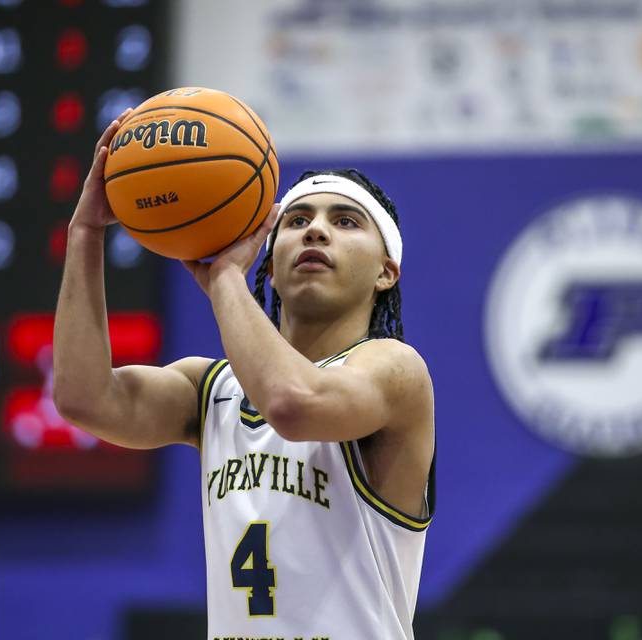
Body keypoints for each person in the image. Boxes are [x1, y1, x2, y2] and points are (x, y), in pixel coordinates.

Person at [53, 108, 436, 640]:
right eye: (296, 221)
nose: (316, 231)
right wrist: (86, 234)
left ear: (385, 271)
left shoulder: (395, 369)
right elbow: (83, 398)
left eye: (345, 221)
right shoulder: (209, 392)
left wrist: (224, 278)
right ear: (272, 266)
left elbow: (294, 403)